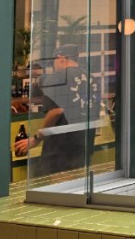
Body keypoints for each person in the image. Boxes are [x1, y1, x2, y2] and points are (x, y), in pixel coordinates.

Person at [13, 44, 97, 176]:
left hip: (60, 149)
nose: (54, 65)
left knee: (51, 184)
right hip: (84, 146)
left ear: (61, 58)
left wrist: (35, 139)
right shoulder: (91, 79)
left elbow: (55, 111)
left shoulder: (58, 77)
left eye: (54, 60)